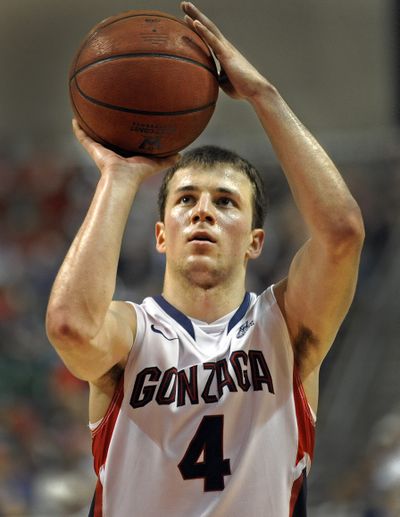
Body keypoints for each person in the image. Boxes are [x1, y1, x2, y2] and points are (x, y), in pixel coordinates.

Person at [46, 2, 365, 516]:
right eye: (186, 200)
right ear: (161, 236)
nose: (202, 213)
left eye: (225, 202)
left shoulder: (284, 327)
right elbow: (70, 328)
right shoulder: (132, 335)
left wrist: (264, 95)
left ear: (255, 241)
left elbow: (342, 234)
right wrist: (120, 177)